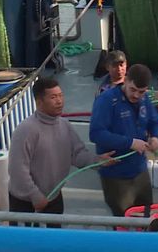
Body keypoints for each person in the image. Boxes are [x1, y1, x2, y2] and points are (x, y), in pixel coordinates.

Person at [8, 77, 114, 226]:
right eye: (53, 97)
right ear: (39, 102)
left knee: (54, 241)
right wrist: (35, 195)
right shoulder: (26, 130)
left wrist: (97, 160)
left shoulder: (65, 125)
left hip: (53, 196)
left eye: (61, 95)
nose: (59, 101)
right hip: (26, 202)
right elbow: (17, 169)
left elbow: (77, 154)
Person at [89, 64, 158, 216]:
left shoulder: (144, 99)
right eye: (133, 90)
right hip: (116, 175)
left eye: (141, 92)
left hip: (139, 171)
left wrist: (156, 137)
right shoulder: (106, 101)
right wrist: (130, 143)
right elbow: (96, 133)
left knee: (146, 214)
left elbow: (155, 121)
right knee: (123, 219)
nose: (136, 95)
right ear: (126, 81)